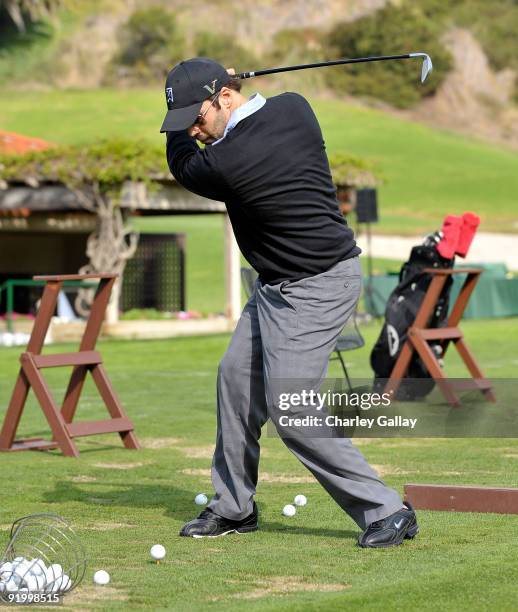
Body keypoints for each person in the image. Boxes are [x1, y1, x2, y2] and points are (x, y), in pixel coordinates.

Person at [160, 57, 418, 548]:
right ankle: (233, 507)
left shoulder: (226, 161)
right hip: (276, 285)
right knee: (235, 381)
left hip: (319, 286)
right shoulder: (296, 109)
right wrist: (210, 99)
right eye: (186, 124)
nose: (194, 130)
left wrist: (176, 135)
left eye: (198, 117)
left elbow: (183, 165)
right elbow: (254, 115)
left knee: (293, 411)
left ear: (226, 98)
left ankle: (386, 509)